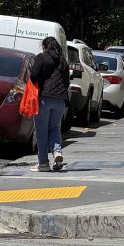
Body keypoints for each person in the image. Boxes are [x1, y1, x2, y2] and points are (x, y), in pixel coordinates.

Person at [29, 36, 70, 172]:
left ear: (44, 46)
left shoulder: (42, 57)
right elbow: (67, 83)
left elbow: (33, 75)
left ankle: (43, 163)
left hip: (45, 98)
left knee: (41, 131)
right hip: (61, 100)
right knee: (54, 128)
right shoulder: (63, 61)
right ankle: (57, 152)